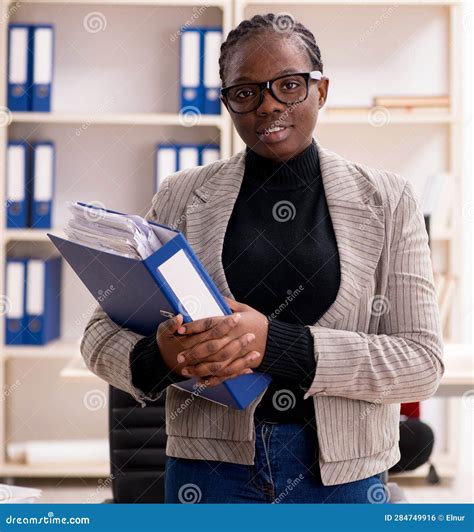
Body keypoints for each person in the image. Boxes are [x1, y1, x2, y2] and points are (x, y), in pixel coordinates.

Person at [81, 13, 444, 504]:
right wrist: (160, 357)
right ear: (228, 102)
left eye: (289, 86)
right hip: (209, 474)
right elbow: (99, 335)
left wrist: (271, 344)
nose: (268, 106)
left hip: (342, 478)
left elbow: (421, 362)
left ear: (321, 90)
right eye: (246, 92)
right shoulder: (182, 195)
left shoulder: (388, 199)